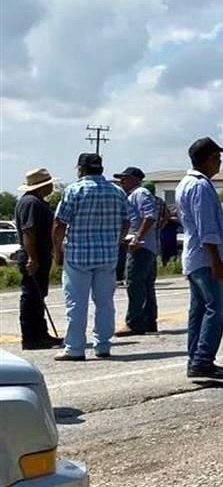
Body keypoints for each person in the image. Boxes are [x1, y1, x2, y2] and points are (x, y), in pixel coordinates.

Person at [53, 153, 129, 361]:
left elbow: (60, 223)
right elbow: (126, 221)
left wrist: (57, 250)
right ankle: (103, 345)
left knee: (77, 303)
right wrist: (116, 240)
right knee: (105, 302)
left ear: (81, 169)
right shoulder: (117, 191)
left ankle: (75, 348)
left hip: (78, 255)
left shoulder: (74, 190)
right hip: (107, 255)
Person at [175, 138, 223, 379]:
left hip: (194, 257)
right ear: (208, 160)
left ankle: (196, 359)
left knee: (199, 310)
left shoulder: (186, 183)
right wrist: (217, 261)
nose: (219, 163)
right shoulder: (200, 186)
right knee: (217, 308)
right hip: (205, 258)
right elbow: (206, 227)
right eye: (217, 159)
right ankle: (202, 359)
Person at [14, 168, 61, 350]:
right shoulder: (31, 202)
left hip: (40, 253)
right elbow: (28, 232)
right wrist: (33, 258)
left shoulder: (36, 201)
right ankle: (31, 337)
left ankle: (41, 333)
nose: (51, 186)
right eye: (49, 183)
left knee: (38, 295)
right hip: (34, 254)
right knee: (31, 296)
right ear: (42, 186)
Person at [114, 166, 159, 337]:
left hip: (140, 246)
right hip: (143, 246)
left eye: (125, 178)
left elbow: (150, 216)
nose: (122, 181)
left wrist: (136, 237)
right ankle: (148, 321)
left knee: (134, 283)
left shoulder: (140, 193)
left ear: (134, 179)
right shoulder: (132, 195)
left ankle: (134, 322)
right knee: (145, 285)